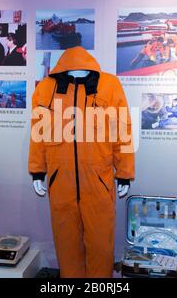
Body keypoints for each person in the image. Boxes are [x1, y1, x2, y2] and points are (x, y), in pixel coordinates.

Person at [29, 47, 135, 278]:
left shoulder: (109, 85)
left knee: (100, 245)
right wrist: (38, 171)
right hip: (60, 181)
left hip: (99, 181)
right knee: (66, 245)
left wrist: (124, 172)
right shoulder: (46, 88)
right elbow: (37, 133)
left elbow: (123, 131)